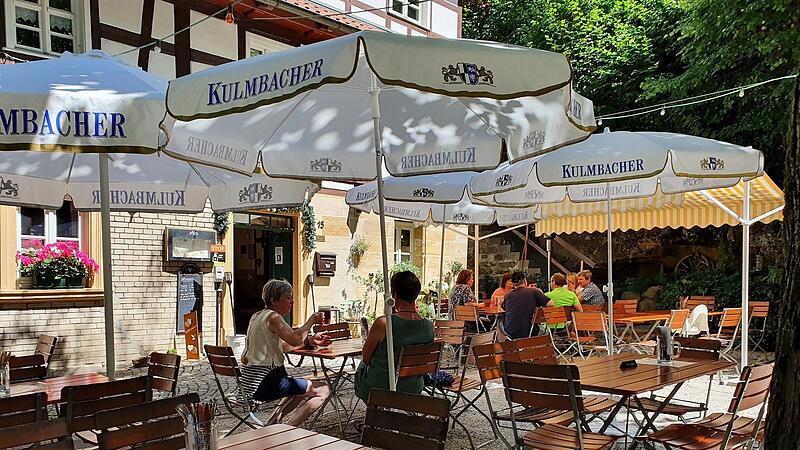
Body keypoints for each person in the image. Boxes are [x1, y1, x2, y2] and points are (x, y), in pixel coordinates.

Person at [240, 279, 331, 426]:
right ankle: (287, 430)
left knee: (301, 386)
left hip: (250, 383)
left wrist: (309, 341)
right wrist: (311, 321)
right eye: (288, 298)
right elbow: (295, 339)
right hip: (264, 383)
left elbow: (282, 346)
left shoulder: (257, 316)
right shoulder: (274, 317)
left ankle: (272, 424)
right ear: (274, 300)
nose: (292, 302)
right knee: (323, 389)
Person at [355, 271, 434, 401]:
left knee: (361, 366)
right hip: (413, 388)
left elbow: (366, 357)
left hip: (381, 389)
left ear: (395, 294)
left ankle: (376, 410)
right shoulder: (429, 326)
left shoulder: (384, 323)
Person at [502, 271, 554, 339]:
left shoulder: (507, 295)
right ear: (525, 281)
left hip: (511, 333)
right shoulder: (534, 291)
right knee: (545, 330)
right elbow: (551, 304)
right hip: (531, 332)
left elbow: (504, 308)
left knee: (499, 321)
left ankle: (502, 343)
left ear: (513, 283)